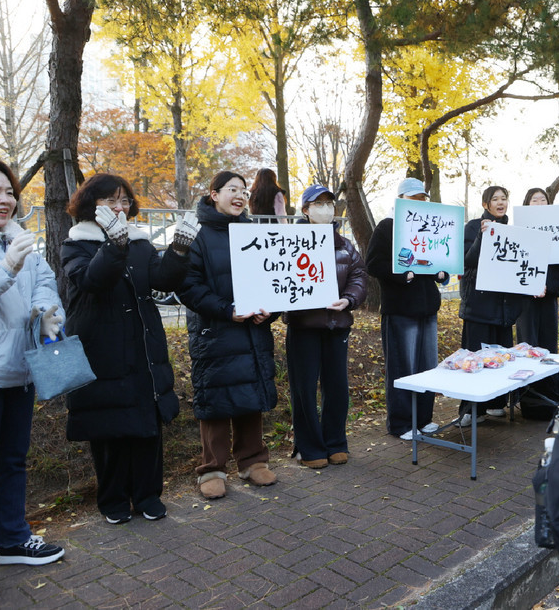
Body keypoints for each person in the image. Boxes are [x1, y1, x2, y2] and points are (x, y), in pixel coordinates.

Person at [60, 174, 198, 524]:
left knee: (146, 426)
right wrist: (113, 246)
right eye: (110, 201)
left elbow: (162, 279)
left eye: (123, 200)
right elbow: (92, 280)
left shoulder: (139, 243)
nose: (119, 207)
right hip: (100, 351)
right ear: (92, 206)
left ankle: (148, 495)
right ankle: (113, 500)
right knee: (108, 430)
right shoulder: (76, 244)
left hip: (142, 348)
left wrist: (179, 249)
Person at [0, 160, 66, 604]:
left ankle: (12, 541)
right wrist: (7, 265)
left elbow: (45, 283)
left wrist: (47, 314)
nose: (6, 199)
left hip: (20, 370)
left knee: (12, 462)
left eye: (9, 191)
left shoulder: (19, 239)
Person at [178, 171, 279, 500]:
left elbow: (275, 278)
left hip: (253, 330)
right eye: (232, 189)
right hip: (215, 331)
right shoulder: (198, 235)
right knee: (216, 399)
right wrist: (225, 309)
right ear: (214, 194)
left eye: (244, 191)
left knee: (251, 395)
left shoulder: (255, 232)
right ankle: (212, 468)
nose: (240, 196)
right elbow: (188, 286)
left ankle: (253, 461)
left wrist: (271, 310)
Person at [285, 184, 368, 468]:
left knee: (337, 387)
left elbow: (359, 276)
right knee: (304, 388)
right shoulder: (289, 242)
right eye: (317, 204)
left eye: (329, 203)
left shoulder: (345, 245)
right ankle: (309, 447)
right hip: (304, 326)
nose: (325, 209)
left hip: (337, 325)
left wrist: (348, 300)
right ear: (305, 210)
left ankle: (336, 442)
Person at [366, 178, 448, 440]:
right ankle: (401, 423)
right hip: (400, 309)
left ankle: (423, 419)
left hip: (427, 307)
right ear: (400, 199)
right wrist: (403, 275)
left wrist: (441, 272)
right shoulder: (387, 226)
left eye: (422, 198)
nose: (419, 202)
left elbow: (437, 259)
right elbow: (373, 264)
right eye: (413, 198)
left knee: (427, 366)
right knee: (403, 367)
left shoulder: (429, 227)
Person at [457, 185, 526, 426]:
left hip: (504, 309)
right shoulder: (474, 227)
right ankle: (470, 410)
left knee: (499, 359)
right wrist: (481, 236)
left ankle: (496, 403)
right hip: (478, 307)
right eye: (495, 199)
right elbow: (466, 260)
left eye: (504, 198)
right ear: (485, 204)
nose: (500, 202)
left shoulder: (513, 231)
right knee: (475, 360)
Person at [514, 188, 559, 417]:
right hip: (526, 299)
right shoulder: (519, 228)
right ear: (526, 204)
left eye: (543, 200)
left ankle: (551, 399)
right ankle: (530, 402)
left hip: (549, 296)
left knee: (549, 345)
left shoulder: (558, 225)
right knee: (528, 345)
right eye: (534, 200)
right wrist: (531, 284)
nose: (539, 203)